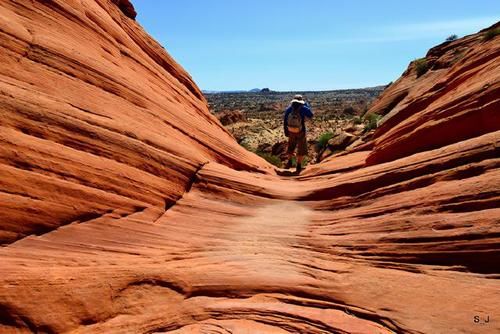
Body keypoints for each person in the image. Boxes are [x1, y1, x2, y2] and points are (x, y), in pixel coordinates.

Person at [283, 94, 313, 173]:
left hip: (290, 131)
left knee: (291, 146)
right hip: (300, 131)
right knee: (301, 148)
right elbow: (311, 115)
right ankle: (299, 166)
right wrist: (306, 105)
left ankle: (289, 162)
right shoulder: (303, 108)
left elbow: (285, 120)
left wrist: (286, 131)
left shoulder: (289, 109)